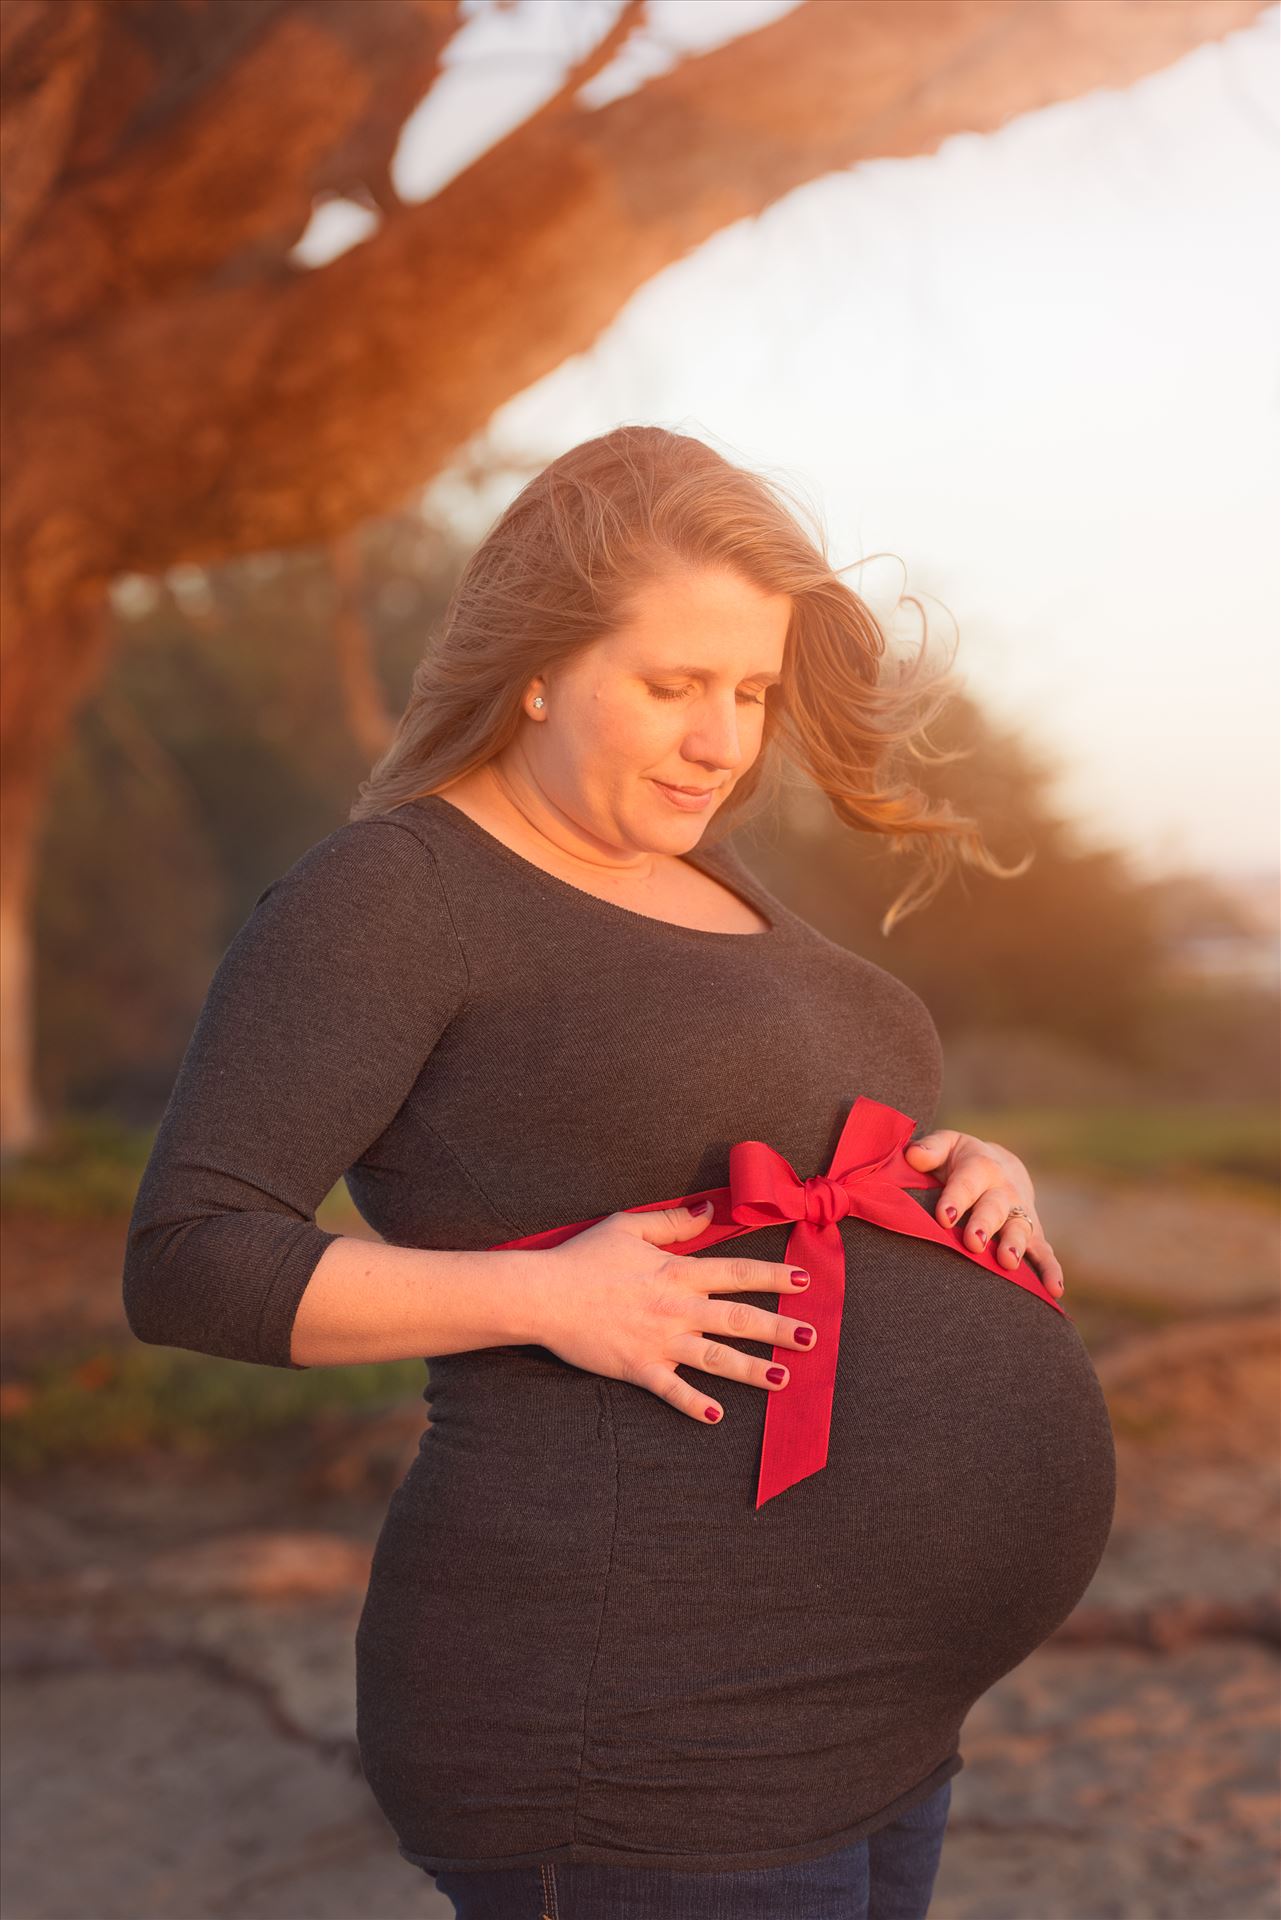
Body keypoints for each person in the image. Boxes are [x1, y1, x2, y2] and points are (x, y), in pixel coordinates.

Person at [122, 426, 1116, 1920]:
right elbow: (188, 1255)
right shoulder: (398, 895)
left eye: (750, 693)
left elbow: (768, 1125)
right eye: (672, 687)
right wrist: (548, 1297)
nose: (722, 741)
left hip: (873, 1722)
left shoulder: (697, 865)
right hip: (637, 1726)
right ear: (535, 663)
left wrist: (957, 1174)